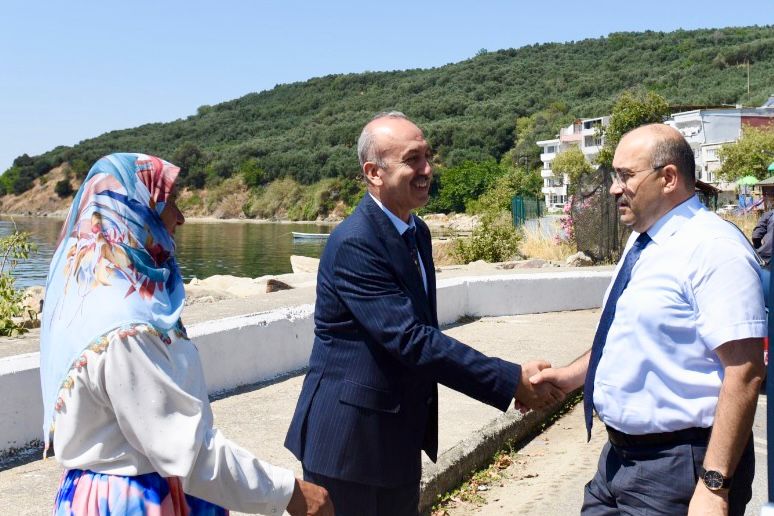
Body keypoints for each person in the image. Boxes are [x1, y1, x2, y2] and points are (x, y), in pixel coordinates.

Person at [284, 112, 564, 515]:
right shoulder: (355, 242)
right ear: (374, 173)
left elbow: (419, 333)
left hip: (397, 437)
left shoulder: (417, 232)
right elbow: (411, 339)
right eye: (412, 159)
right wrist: (509, 379)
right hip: (350, 446)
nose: (427, 169)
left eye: (427, 157)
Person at [40, 153, 333, 516]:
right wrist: (290, 492)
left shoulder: (88, 299)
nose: (180, 217)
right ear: (135, 210)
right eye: (170, 203)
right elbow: (185, 452)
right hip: (135, 500)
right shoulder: (127, 326)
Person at [530, 124, 766, 516]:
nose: (613, 188)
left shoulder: (713, 249)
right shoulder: (645, 241)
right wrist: (571, 376)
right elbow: (628, 336)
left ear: (668, 178)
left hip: (679, 468)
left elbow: (745, 371)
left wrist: (714, 485)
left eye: (626, 176)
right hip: (619, 461)